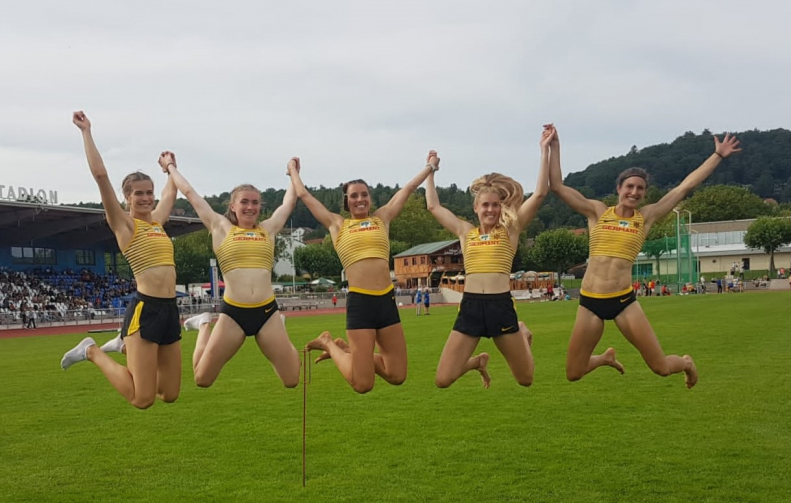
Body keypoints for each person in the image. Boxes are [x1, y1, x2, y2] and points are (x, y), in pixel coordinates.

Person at [548, 124, 741, 388]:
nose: (634, 192)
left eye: (640, 188)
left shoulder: (646, 217)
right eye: (629, 186)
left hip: (623, 301)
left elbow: (684, 187)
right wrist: (554, 145)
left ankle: (686, 363)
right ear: (619, 188)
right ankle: (604, 358)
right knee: (573, 372)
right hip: (590, 301)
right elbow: (557, 186)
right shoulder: (597, 212)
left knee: (660, 367)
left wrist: (717, 156)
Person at [61, 111, 181, 409]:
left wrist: (171, 169)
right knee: (143, 399)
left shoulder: (157, 222)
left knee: (169, 394)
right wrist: (86, 131)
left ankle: (124, 346)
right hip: (145, 310)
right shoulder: (125, 225)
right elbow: (101, 176)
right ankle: (92, 351)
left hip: (169, 310)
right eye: (138, 193)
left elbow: (171, 191)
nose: (145, 198)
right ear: (127, 197)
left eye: (149, 193)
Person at [292, 157, 436, 393]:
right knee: (363, 384)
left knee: (397, 375)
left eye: (364, 194)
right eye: (354, 196)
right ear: (346, 202)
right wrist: (293, 172)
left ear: (370, 198)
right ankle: (328, 343)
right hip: (361, 303)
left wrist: (430, 167)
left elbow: (408, 188)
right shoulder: (338, 224)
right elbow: (305, 195)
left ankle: (348, 351)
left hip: (386, 301)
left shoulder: (382, 218)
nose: (360, 199)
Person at [426, 126, 551, 389]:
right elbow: (433, 206)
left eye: (495, 205)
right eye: (485, 205)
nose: (491, 209)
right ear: (476, 208)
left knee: (525, 379)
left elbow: (539, 194)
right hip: (470, 307)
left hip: (500, 306)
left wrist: (544, 150)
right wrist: (431, 170)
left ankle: (522, 330)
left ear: (501, 207)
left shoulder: (511, 230)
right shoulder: (465, 232)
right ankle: (476, 363)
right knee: (442, 379)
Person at [173, 157, 300, 389]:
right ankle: (203, 325)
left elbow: (289, 203)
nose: (250, 207)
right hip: (234, 313)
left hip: (267, 311)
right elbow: (191, 193)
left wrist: (293, 173)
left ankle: (280, 331)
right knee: (202, 379)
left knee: (292, 380)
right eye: (244, 202)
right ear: (233, 206)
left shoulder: (268, 229)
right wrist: (171, 168)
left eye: (255, 202)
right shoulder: (221, 227)